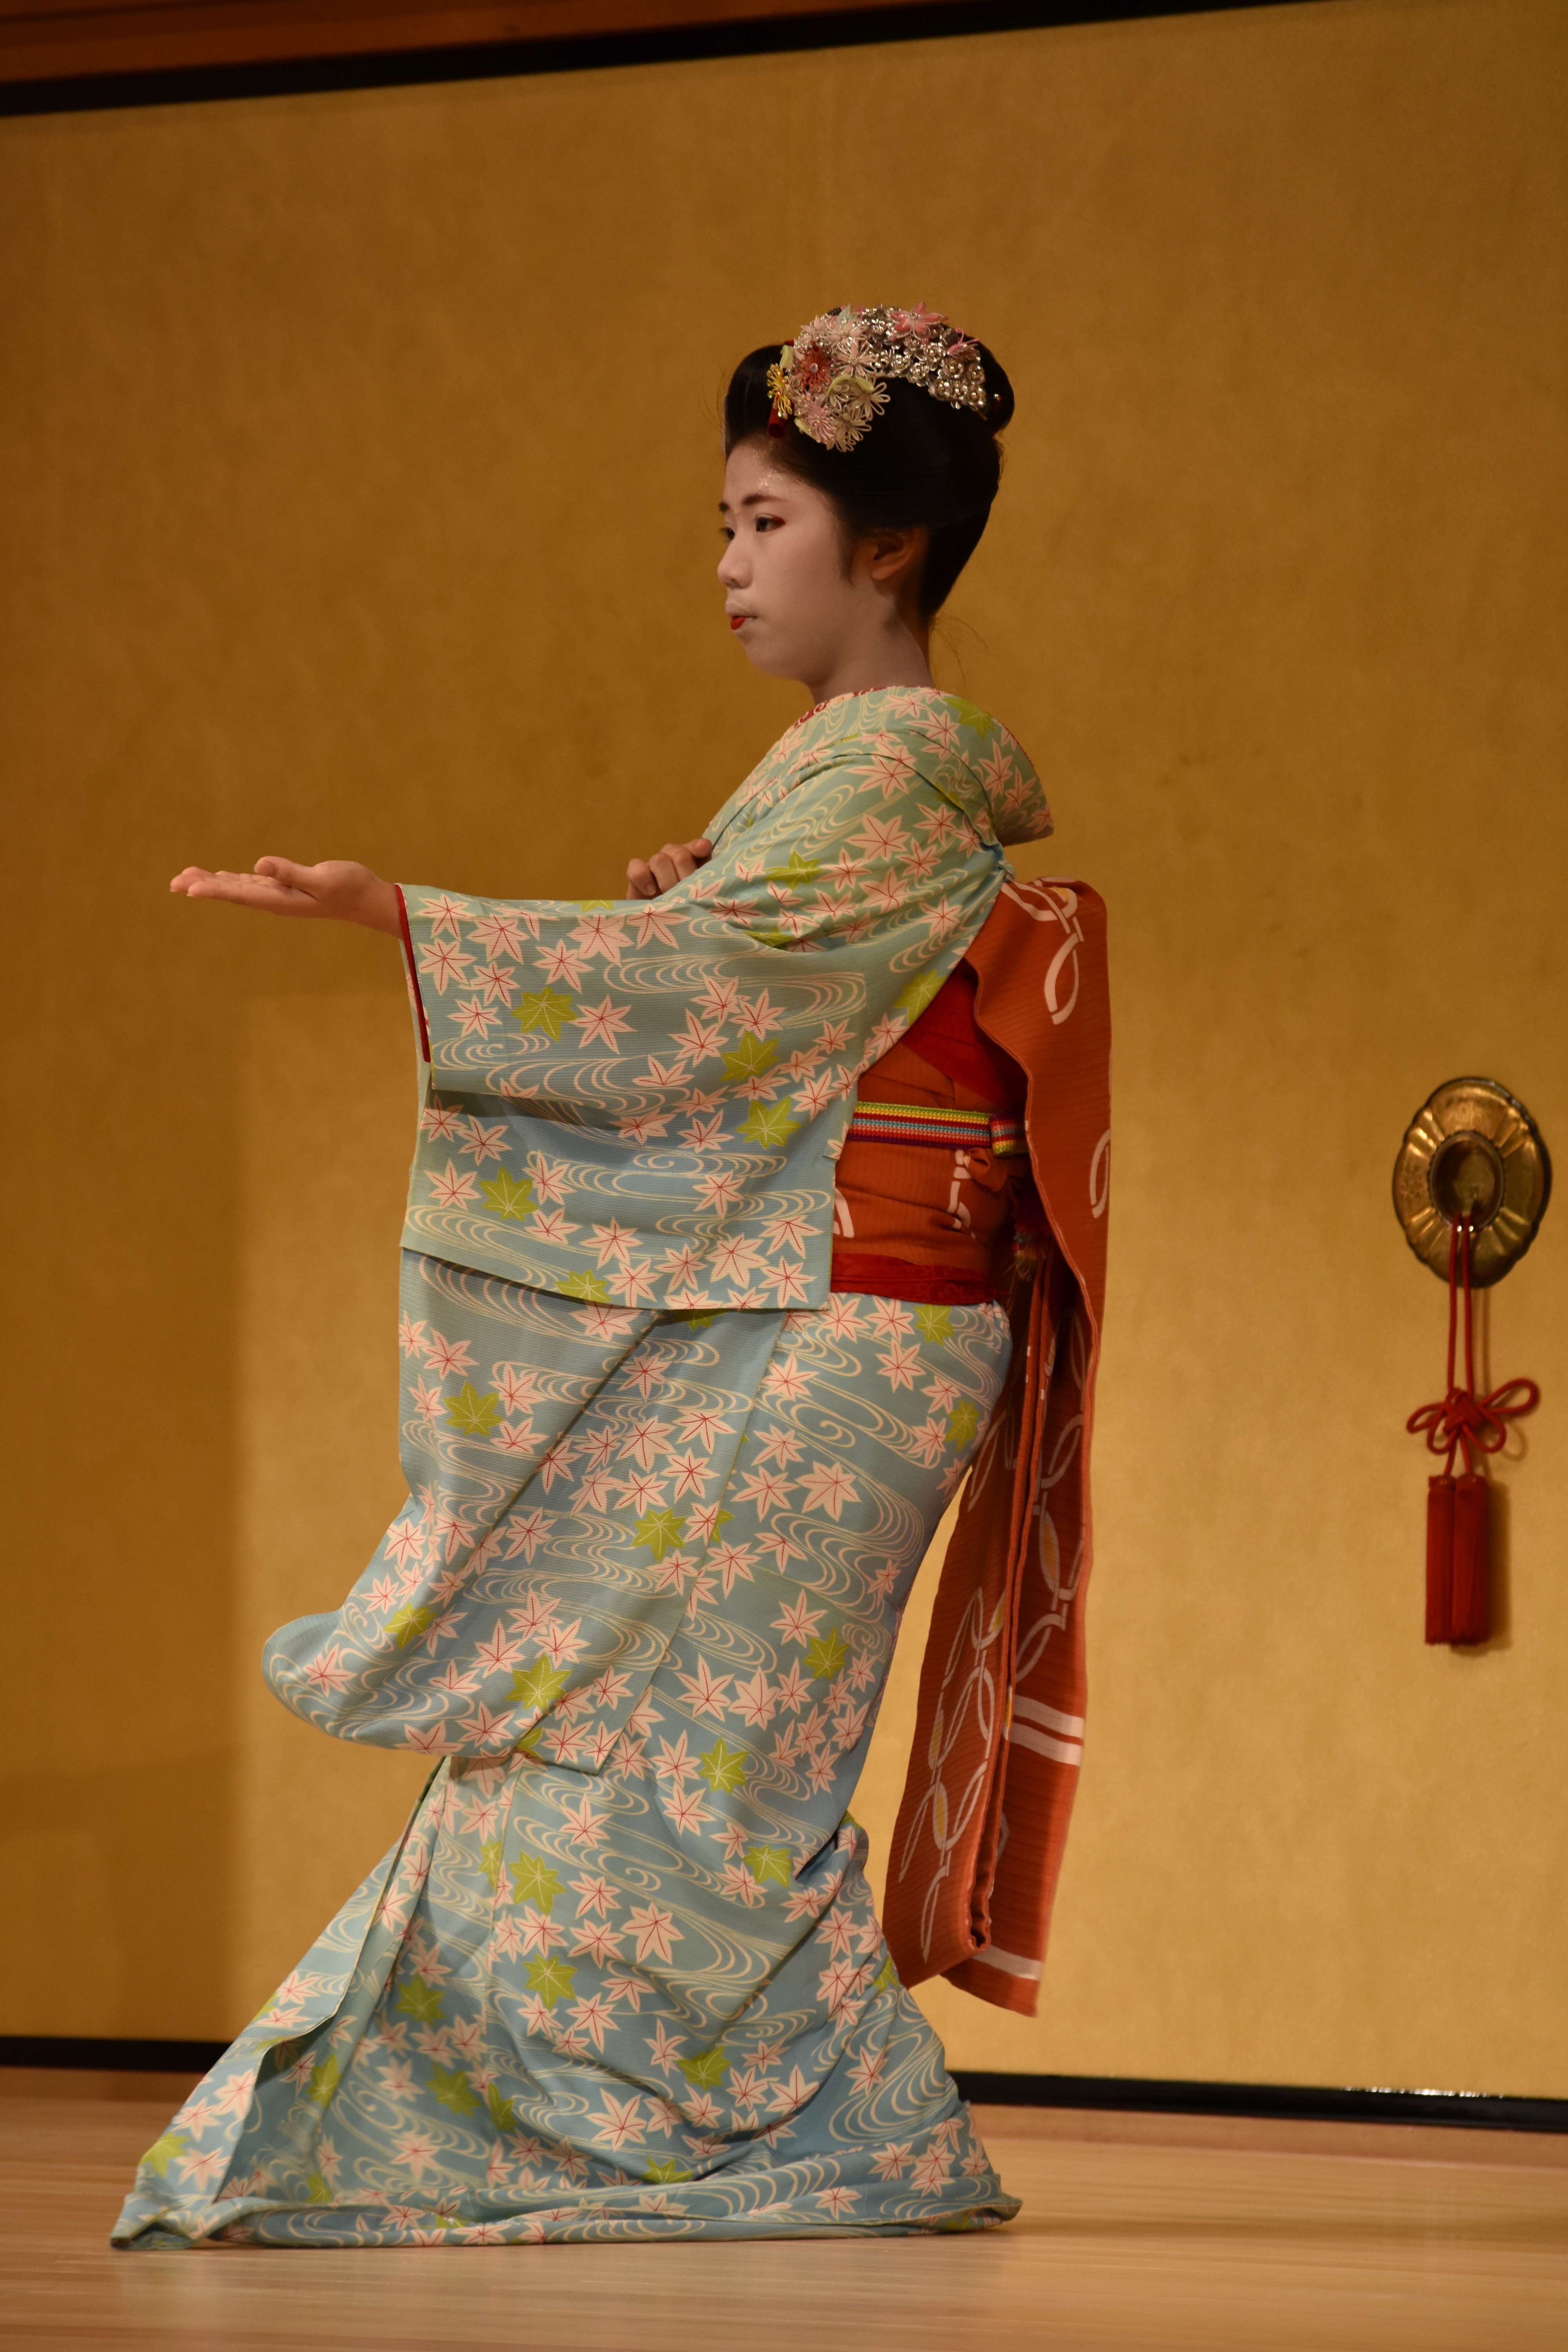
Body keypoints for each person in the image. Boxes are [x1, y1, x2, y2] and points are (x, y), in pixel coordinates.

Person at [114, 305, 1108, 2249]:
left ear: (887, 548)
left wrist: (404, 917)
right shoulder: (843, 777)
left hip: (842, 1329)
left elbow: (702, 997)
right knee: (689, 1758)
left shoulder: (884, 781)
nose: (727, 564)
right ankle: (745, 2125)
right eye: (724, 526)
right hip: (838, 1319)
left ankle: (752, 2131)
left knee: (682, 1761)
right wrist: (702, 903)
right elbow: (749, 992)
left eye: (763, 523)